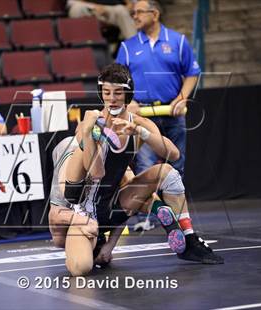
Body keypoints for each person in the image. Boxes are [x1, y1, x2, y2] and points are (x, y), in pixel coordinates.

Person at [49, 63, 223, 277]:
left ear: (127, 94)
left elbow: (174, 154)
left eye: (118, 93)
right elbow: (92, 176)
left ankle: (188, 239)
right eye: (107, 93)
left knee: (167, 173)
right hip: (83, 209)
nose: (112, 99)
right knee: (78, 264)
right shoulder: (90, 127)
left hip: (113, 204)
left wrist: (140, 131)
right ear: (101, 95)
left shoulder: (138, 124)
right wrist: (88, 135)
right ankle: (153, 207)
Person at [115, 0, 200, 177]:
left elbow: (192, 72)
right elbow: (117, 80)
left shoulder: (179, 41)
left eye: (139, 12)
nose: (134, 16)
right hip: (142, 116)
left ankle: (174, 206)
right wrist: (128, 101)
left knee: (176, 167)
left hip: (173, 112)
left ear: (155, 14)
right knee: (146, 168)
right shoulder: (127, 47)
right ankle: (152, 205)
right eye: (133, 13)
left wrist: (183, 96)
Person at [66, 0, 136, 40]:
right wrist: (94, 7)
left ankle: (137, 49)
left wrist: (129, 5)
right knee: (76, 8)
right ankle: (80, 48)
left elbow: (130, 3)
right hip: (89, 8)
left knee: (121, 10)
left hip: (112, 9)